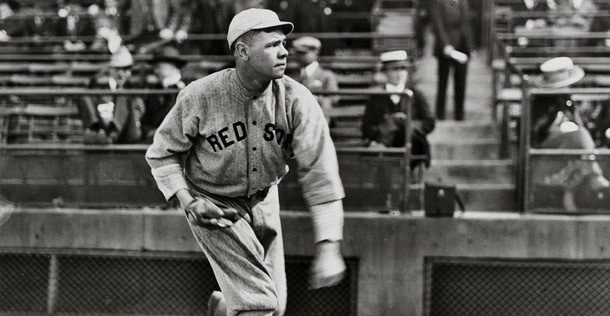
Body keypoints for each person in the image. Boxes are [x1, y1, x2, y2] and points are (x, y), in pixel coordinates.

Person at [145, 8, 346, 316]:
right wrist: (187, 201)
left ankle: (224, 307)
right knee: (259, 304)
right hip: (214, 204)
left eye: (283, 43)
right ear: (242, 51)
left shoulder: (296, 99)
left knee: (275, 308)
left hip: (265, 198)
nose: (284, 52)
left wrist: (329, 245)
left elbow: (321, 172)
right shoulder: (201, 95)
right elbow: (162, 153)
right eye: (272, 45)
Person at [530, 56, 610, 211]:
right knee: (579, 136)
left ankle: (573, 193)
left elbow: (580, 125)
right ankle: (595, 178)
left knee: (586, 141)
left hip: (570, 145)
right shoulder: (539, 102)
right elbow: (537, 132)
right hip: (548, 144)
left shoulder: (567, 99)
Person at [361, 50, 436, 168]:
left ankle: (382, 144)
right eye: (395, 69)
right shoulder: (376, 98)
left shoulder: (415, 94)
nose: (400, 73)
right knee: (394, 120)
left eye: (403, 69)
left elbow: (429, 122)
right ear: (385, 72)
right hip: (390, 150)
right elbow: (367, 127)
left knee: (398, 120)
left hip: (412, 144)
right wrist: (385, 128)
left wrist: (406, 124)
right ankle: (384, 143)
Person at [79, 45, 145, 144]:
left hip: (126, 132)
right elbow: (90, 103)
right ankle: (96, 131)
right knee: (85, 97)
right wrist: (105, 113)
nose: (123, 74)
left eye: (127, 69)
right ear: (111, 69)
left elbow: (139, 109)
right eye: (119, 69)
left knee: (125, 97)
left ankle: (110, 135)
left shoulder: (132, 87)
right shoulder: (98, 84)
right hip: (102, 126)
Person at [428, 0, 474, 121]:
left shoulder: (463, 2)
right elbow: (438, 25)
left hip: (462, 47)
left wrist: (470, 47)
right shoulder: (439, 2)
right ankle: (440, 115)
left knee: (460, 83)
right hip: (446, 48)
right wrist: (445, 45)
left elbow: (466, 25)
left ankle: (459, 115)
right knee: (442, 83)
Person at [289, 36, 339, 125]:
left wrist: (314, 99)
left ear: (316, 52)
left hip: (319, 119)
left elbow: (334, 98)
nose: (298, 57)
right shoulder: (294, 76)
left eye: (303, 53)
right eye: (297, 53)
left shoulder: (327, 75)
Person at [141, 45, 187, 142]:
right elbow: (146, 118)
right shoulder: (154, 89)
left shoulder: (186, 88)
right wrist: (149, 132)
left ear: (171, 65)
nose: (155, 71)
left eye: (158, 67)